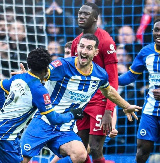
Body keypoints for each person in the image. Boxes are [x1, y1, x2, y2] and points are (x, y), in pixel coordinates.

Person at [15, 33, 141, 163]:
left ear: (96, 52)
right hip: (43, 121)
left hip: (65, 127)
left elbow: (109, 91)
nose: (84, 51)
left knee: (81, 154)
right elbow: (43, 74)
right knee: (22, 159)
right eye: (82, 46)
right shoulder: (61, 65)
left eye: (89, 48)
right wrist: (27, 76)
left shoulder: (100, 74)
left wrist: (126, 106)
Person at [0, 48, 84, 163]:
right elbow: (54, 119)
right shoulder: (39, 90)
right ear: (46, 67)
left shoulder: (19, 77)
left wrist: (2, 109)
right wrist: (72, 114)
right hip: (3, 135)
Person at [71, 2, 118, 162]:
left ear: (95, 18)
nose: (81, 16)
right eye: (79, 13)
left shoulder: (106, 41)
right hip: (82, 101)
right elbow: (73, 74)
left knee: (96, 148)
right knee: (79, 150)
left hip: (100, 101)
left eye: (86, 14)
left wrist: (108, 111)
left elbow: (113, 79)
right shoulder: (77, 42)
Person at [118, 18, 160, 163]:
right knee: (142, 151)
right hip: (150, 110)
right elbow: (130, 76)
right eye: (156, 30)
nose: (159, 33)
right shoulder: (146, 52)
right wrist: (110, 79)